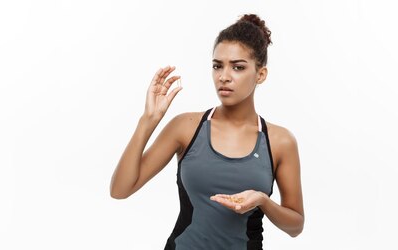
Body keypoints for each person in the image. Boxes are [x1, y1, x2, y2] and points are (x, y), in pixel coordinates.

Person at [110, 13, 304, 249]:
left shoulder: (280, 141)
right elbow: (120, 190)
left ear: (260, 74)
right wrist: (148, 121)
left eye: (238, 67)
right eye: (217, 66)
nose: (224, 77)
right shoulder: (186, 127)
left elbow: (295, 226)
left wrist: (263, 201)